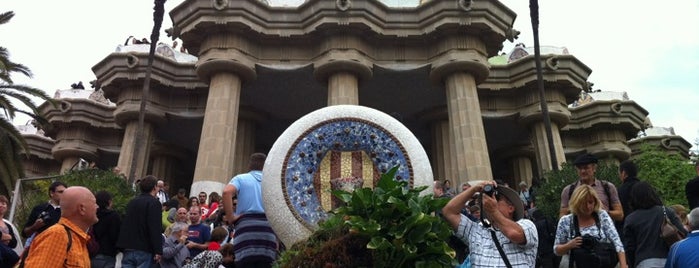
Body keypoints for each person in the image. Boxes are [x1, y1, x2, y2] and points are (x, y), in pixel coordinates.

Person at [443, 180, 538, 267]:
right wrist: (473, 189)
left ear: (511, 208)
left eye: (497, 197)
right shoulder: (476, 230)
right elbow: (449, 212)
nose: (492, 200)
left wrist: (493, 211)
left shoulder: (527, 225)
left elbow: (514, 234)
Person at [223, 152, 278, 268]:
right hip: (268, 230)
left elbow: (227, 192)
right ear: (266, 166)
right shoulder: (272, 181)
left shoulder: (240, 178)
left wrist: (231, 217)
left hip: (246, 230)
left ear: (250, 165)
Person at [553, 184, 628, 268]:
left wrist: (623, 265)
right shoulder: (566, 221)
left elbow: (617, 243)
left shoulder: (602, 216)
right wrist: (569, 245)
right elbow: (556, 250)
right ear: (576, 203)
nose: (588, 207)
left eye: (590, 202)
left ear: (595, 202)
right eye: (583, 203)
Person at [23, 186, 99, 267]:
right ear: (82, 208)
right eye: (94, 203)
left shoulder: (77, 238)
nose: (97, 207)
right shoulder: (58, 235)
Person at [623, 181, 687, 268]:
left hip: (644, 262)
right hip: (669, 260)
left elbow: (629, 248)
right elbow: (683, 233)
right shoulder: (667, 212)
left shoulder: (630, 219)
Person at [560, 153, 624, 223]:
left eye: (586, 168)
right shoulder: (569, 190)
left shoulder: (607, 187)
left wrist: (601, 212)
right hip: (579, 231)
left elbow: (620, 215)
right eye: (579, 168)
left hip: (604, 230)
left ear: (594, 168)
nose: (582, 171)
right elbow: (562, 216)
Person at [117, 175, 163, 267]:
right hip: (144, 249)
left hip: (128, 247)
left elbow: (125, 223)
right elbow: (155, 227)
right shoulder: (154, 203)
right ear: (154, 187)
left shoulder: (132, 202)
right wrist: (158, 250)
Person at [22, 181, 67, 246]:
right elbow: (25, 233)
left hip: (61, 247)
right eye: (60, 192)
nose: (63, 194)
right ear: (51, 193)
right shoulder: (39, 209)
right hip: (41, 247)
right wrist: (35, 226)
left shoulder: (69, 210)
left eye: (65, 192)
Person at [91, 190, 122, 268]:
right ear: (109, 201)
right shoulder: (114, 216)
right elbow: (116, 236)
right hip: (108, 253)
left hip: (92, 253)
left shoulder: (91, 215)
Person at [617, 160, 640, 230]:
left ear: (623, 173)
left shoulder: (620, 190)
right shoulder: (645, 187)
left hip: (627, 228)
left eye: (619, 173)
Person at [1, 195, 21, 266]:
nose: (1, 205)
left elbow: (14, 243)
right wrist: (8, 236)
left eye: (3, 203)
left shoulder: (8, 225)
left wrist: (7, 236)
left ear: (7, 207)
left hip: (7, 255)